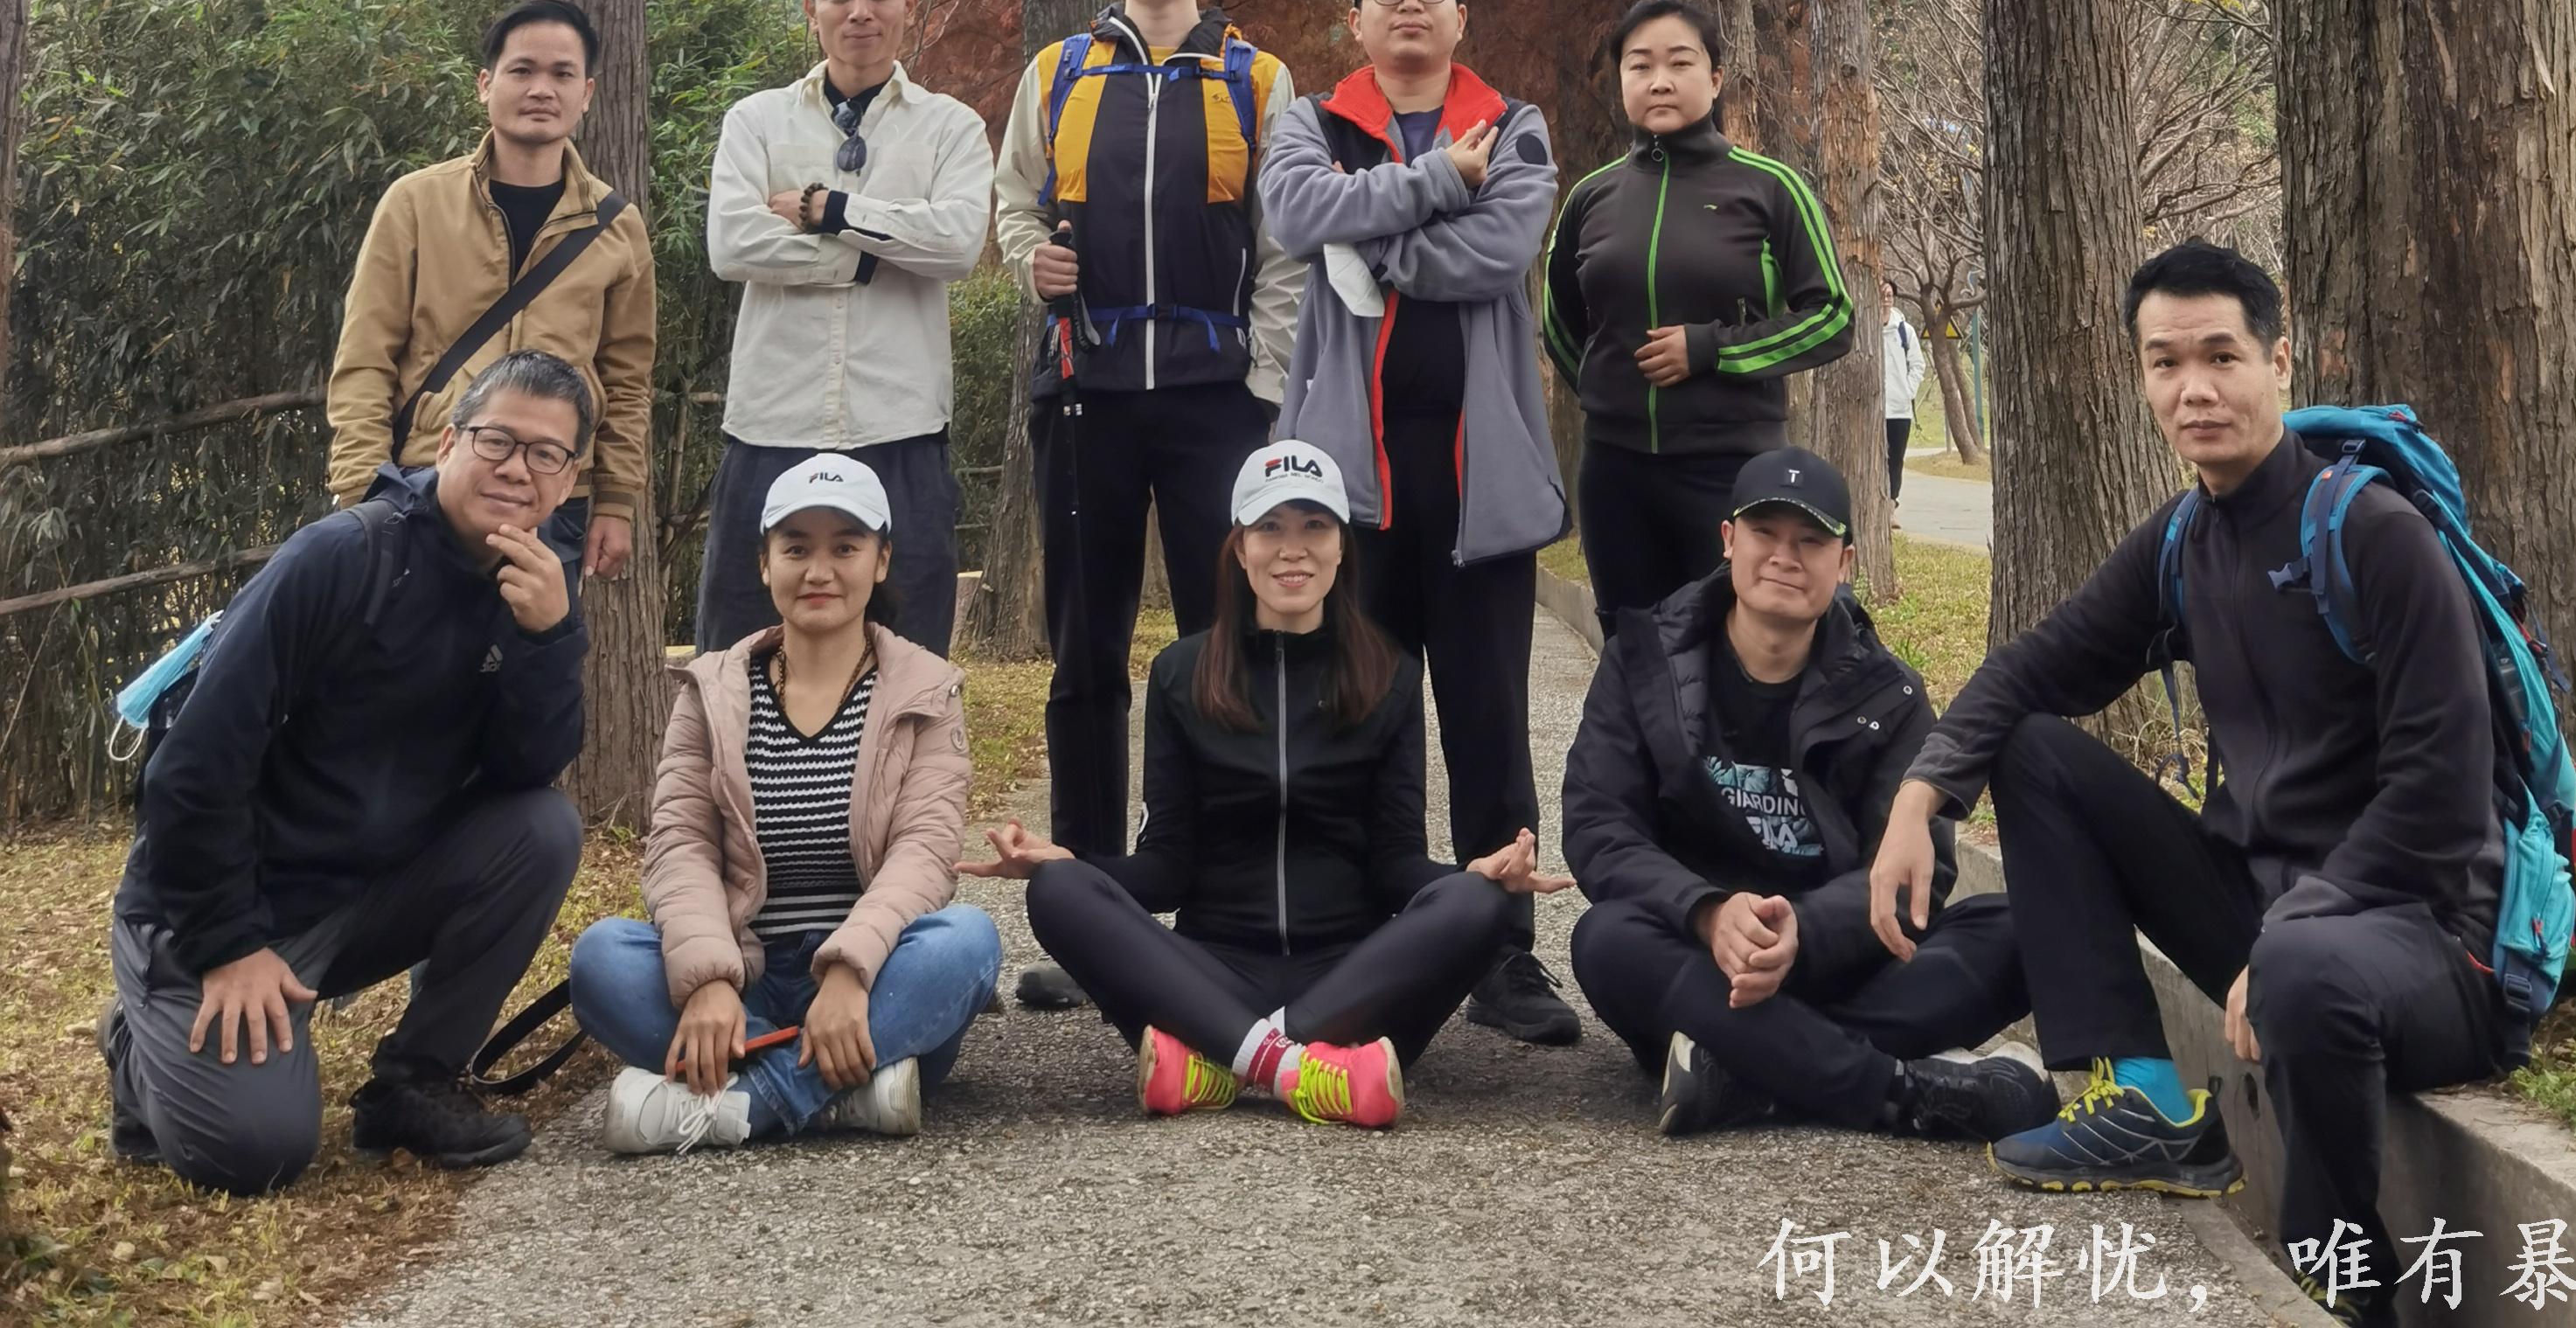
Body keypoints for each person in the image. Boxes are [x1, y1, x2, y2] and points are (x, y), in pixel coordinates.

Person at [1867, 241, 2512, 1314]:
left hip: (2428, 934)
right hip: (2273, 917)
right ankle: (2146, 1102)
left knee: (2302, 966)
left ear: (2279, 361)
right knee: (2031, 746)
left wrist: (2304, 920)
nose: (2193, 388)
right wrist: (1919, 794)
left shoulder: (2375, 535)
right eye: (2165, 362)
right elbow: (2033, 667)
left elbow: (2443, 798)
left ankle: (2352, 1285)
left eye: (2221, 355)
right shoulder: (2184, 538)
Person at [104, 354, 592, 1193]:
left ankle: (413, 1082)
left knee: (542, 830)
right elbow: (191, 766)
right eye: (497, 440)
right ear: (450, 442)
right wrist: (228, 946)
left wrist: (550, 639)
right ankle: (137, 1040)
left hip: (359, 898)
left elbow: (527, 769)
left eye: (546, 453)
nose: (518, 469)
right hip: (225, 910)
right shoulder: (345, 558)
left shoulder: (534, 582)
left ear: (569, 478)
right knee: (257, 1152)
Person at [971, 440, 1552, 1126]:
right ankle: (1303, 1071)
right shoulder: (1180, 674)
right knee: (1057, 891)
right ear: (1240, 549)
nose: (1292, 549)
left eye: (1314, 526)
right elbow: (1166, 869)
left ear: (1341, 547)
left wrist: (1471, 876)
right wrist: (1071, 863)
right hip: (1210, 974)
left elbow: (1394, 865)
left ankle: (1222, 1062)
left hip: (1350, 978)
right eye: (1270, 527)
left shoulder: (1390, 674)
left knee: (1481, 904)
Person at [992, 0, 1301, 1003]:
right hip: (1088, 394)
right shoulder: (1059, 72)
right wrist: (1033, 261)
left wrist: (1265, 390)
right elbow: (1013, 200)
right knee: (1087, 654)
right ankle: (1092, 917)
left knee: (1227, 649)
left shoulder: (1257, 79)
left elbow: (1286, 245)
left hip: (1219, 401)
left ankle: (1226, 907)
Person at [1260, 0, 1577, 1050]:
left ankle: (1503, 951)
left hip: (1478, 480)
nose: (1410, 5)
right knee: (1357, 717)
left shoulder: (1514, 121)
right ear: (1356, 20)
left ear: (1459, 17)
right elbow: (1296, 216)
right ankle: (1360, 938)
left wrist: (1373, 242)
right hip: (1350, 491)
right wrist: (1439, 182)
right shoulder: (1311, 119)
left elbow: (1500, 249)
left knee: (1489, 722)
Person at [1566, 444, 2050, 1142]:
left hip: (1833, 960)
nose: (1783, 557)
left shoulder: (1891, 694)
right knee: (1605, 939)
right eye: (1764, 533)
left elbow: (1915, 874)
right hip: (1698, 957)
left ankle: (1740, 1073)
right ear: (1729, 540)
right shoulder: (1642, 661)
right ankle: (1893, 1091)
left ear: (1845, 562)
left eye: (1810, 542)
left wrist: (1805, 932)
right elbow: (1597, 828)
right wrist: (1707, 912)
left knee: (2022, 928)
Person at [570, 452, 1000, 1153]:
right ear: (765, 564)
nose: (818, 571)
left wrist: (849, 971)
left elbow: (924, 853)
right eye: (796, 549)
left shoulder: (925, 691)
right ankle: (844, 1092)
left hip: (875, 985)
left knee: (967, 942)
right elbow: (681, 845)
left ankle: (742, 1102)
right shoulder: (712, 691)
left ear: (882, 561)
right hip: (747, 982)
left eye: (845, 548)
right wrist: (709, 980)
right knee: (602, 956)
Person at [697, 0, 993, 656]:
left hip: (901, 427)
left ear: (906, 4)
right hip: (770, 423)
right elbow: (732, 243)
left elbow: (956, 243)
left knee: (908, 659)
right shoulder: (756, 122)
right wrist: (872, 254)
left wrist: (826, 211)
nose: (860, 12)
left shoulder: (951, 127)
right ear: (812, 8)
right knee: (737, 657)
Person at [1541, 0, 1855, 629]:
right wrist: (1612, 391)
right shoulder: (1590, 197)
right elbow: (1560, 325)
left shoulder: (1770, 188)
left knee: (1730, 642)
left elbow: (1832, 317)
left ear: (1714, 79)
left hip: (1731, 466)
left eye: (1680, 63)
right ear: (1621, 80)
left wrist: (1714, 351)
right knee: (1632, 646)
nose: (1659, 80)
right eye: (1639, 65)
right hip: (1615, 472)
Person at [325, 0, 656, 580]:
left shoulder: (616, 226)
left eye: (562, 74)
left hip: (552, 491)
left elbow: (628, 379)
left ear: (586, 93)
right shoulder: (417, 203)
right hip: (426, 480)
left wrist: (615, 499)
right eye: (522, 70)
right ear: (486, 84)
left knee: (533, 639)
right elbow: (365, 356)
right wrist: (362, 490)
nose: (541, 89)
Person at [1883, 293, 1926, 505]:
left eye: (1889, 295)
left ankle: (1891, 503)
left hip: (1899, 410)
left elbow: (1918, 365)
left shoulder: (1904, 331)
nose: (1885, 299)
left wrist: (1907, 392)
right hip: (1873, 409)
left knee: (1896, 459)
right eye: (1881, 295)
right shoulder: (1864, 329)